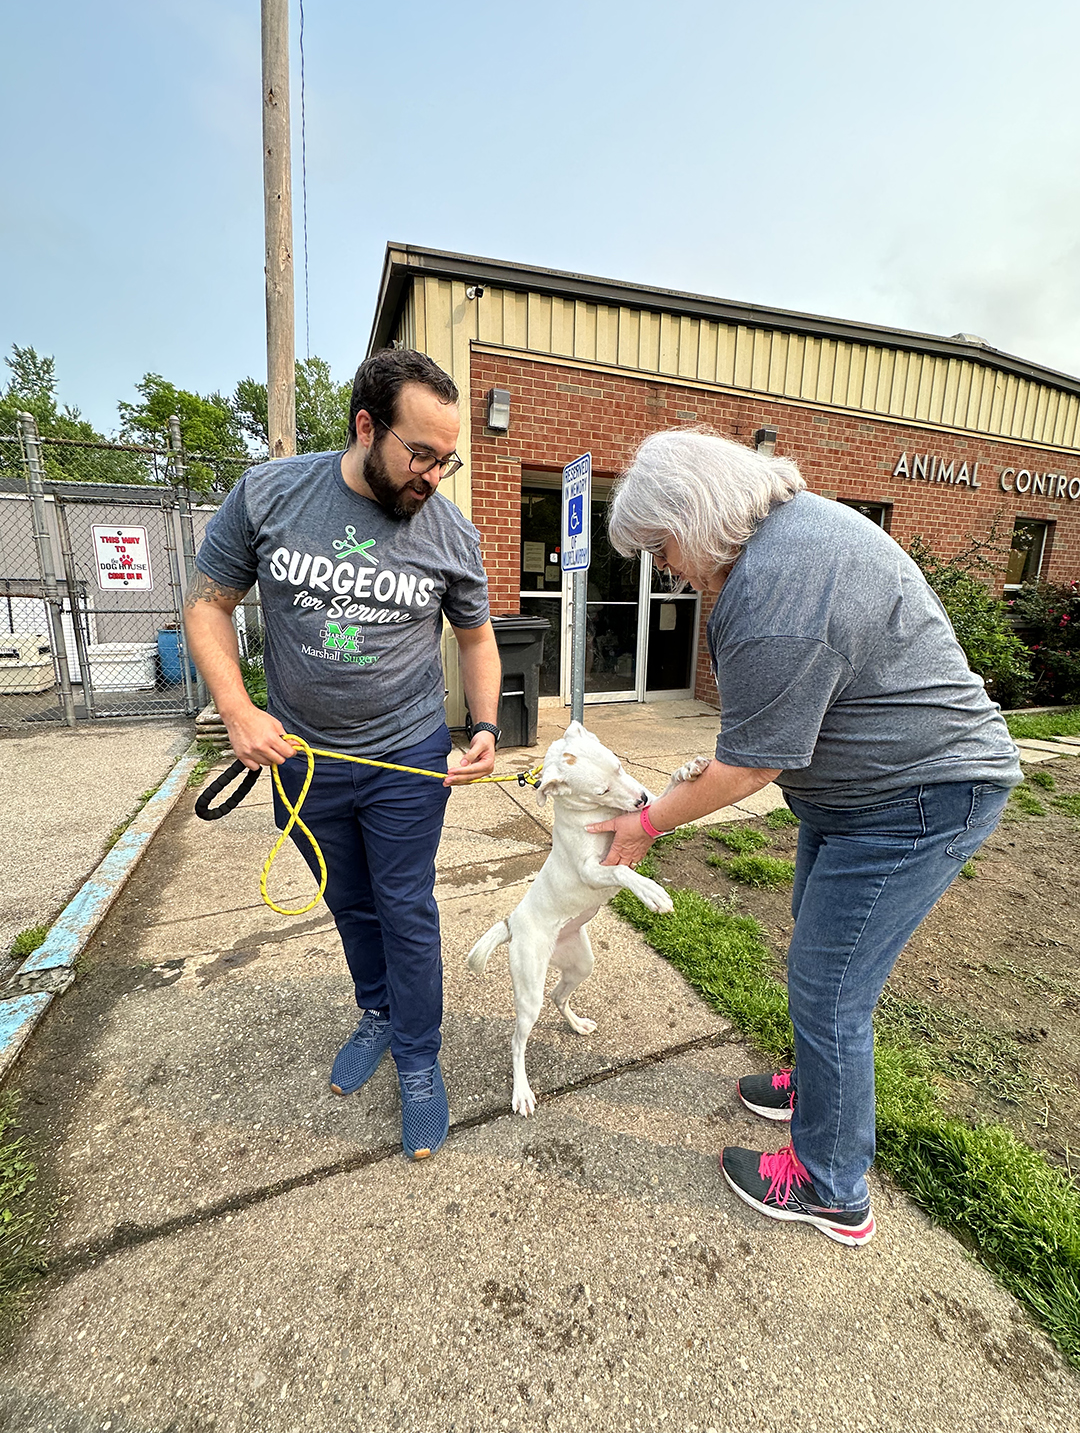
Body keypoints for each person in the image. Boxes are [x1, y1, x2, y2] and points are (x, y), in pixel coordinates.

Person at [589, 427, 1021, 1245]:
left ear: (695, 512)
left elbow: (748, 770)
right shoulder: (793, 531)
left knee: (829, 991)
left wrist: (644, 824)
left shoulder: (775, 590)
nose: (664, 569)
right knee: (818, 963)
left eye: (660, 545)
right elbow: (765, 735)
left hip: (916, 801)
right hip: (859, 800)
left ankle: (831, 1188)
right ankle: (815, 1091)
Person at [184, 348, 502, 1160]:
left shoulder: (451, 533)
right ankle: (379, 1013)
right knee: (348, 901)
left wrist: (486, 728)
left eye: (447, 458)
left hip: (407, 757)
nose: (435, 474)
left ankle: (421, 1063)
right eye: (420, 453)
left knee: (406, 908)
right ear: (366, 426)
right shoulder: (271, 493)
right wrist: (238, 708)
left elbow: (477, 639)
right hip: (300, 760)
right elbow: (208, 605)